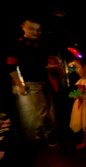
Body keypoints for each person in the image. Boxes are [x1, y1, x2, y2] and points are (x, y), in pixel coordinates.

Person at [6, 15, 59, 147]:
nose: (36, 32)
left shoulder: (40, 43)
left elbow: (44, 61)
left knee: (44, 108)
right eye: (32, 29)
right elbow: (11, 66)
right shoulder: (17, 44)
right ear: (23, 27)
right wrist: (20, 84)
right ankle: (49, 135)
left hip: (46, 79)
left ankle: (39, 131)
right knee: (43, 110)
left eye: (38, 30)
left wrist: (51, 66)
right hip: (32, 82)